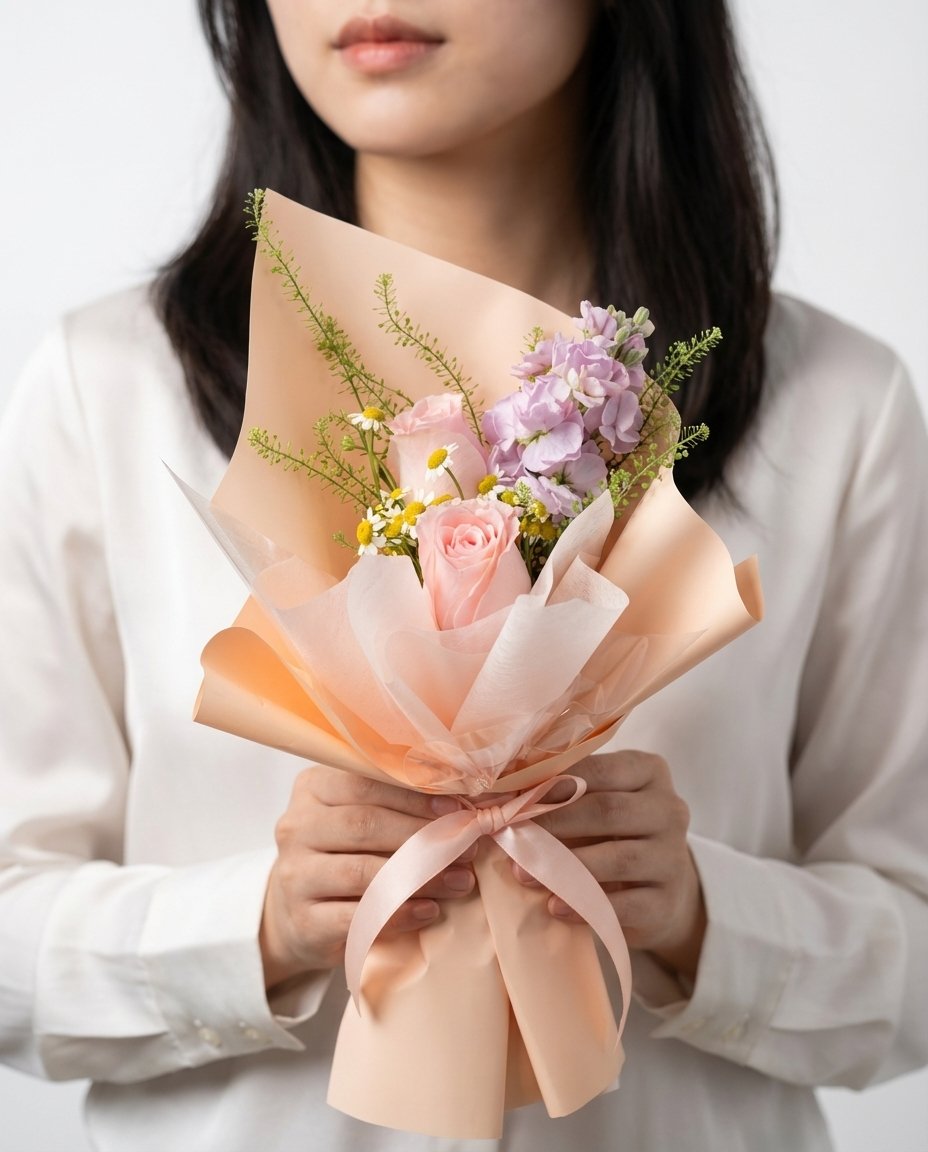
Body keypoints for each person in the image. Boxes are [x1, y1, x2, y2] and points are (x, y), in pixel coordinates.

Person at [1, 2, 926, 1150]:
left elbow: (913, 958)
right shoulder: (107, 394)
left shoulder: (834, 405)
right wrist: (256, 927)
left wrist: (703, 918)